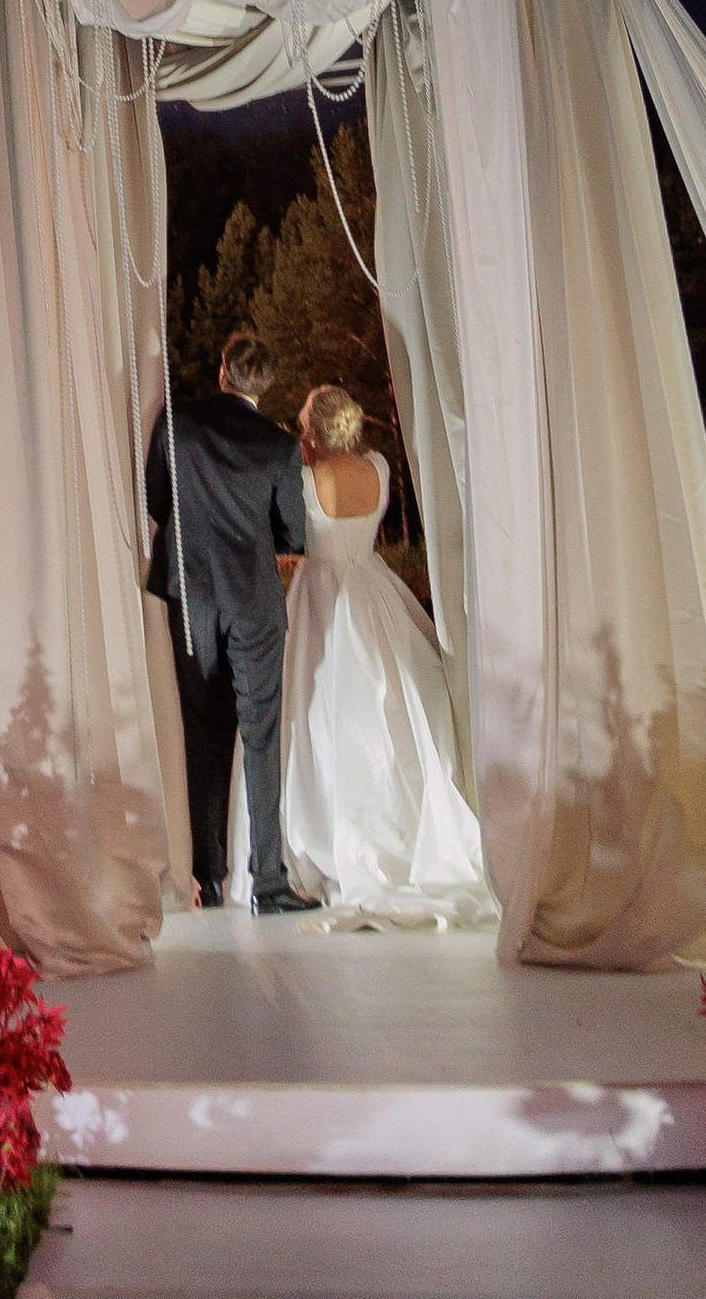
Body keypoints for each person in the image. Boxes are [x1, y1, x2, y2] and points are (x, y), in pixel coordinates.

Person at [277, 384, 494, 930]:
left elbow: (292, 535)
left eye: (304, 424)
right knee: (393, 703)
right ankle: (401, 821)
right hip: (374, 589)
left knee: (321, 714)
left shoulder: (305, 480)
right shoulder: (377, 467)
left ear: (314, 430)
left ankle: (327, 835)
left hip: (322, 596)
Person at [146, 325, 317, 916]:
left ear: (223, 371)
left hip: (191, 596)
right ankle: (269, 881)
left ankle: (208, 878)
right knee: (261, 736)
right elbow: (292, 532)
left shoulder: (177, 423)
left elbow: (157, 501)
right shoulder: (278, 446)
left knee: (204, 734)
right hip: (254, 602)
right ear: (263, 385)